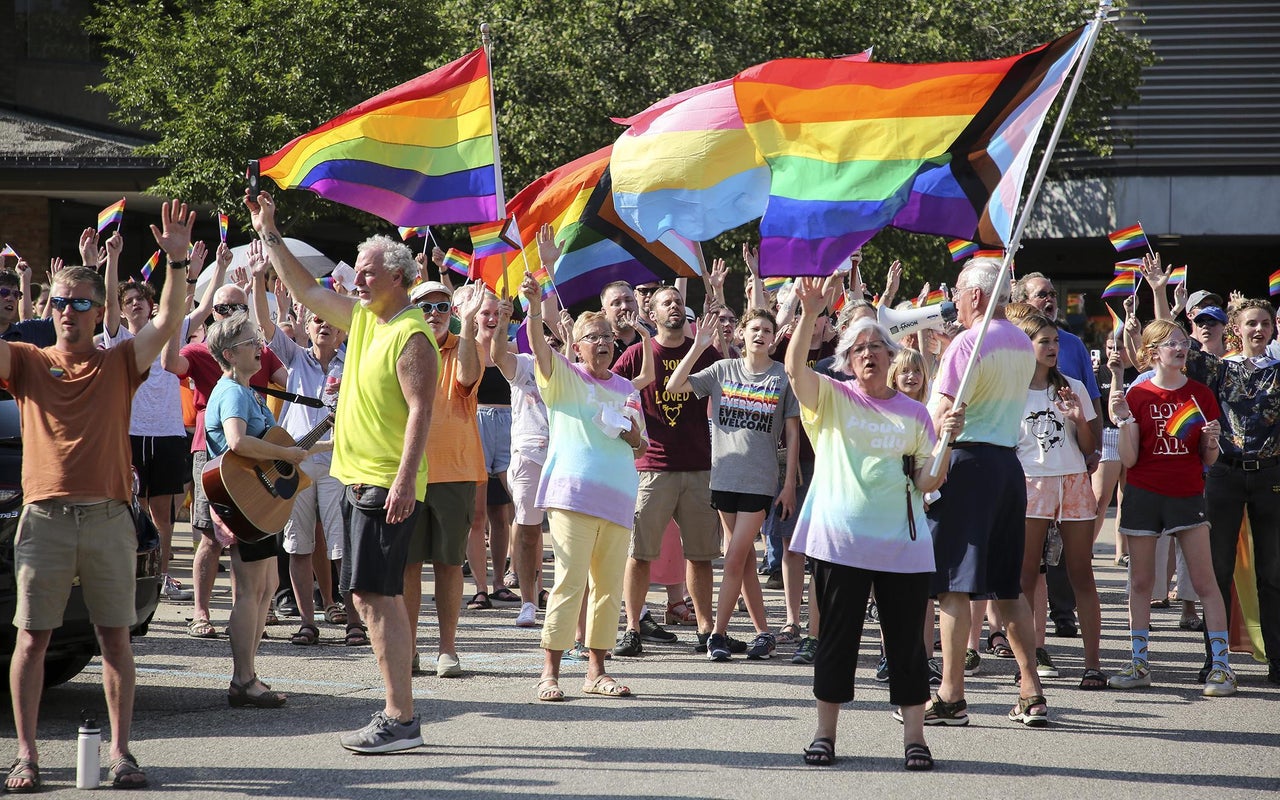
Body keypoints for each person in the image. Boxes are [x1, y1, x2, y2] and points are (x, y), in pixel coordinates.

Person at [4, 199, 193, 791]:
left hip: (110, 516)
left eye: (81, 303)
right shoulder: (28, 362)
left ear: (98, 310)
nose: (68, 312)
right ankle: (27, 757)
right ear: (48, 308)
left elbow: (165, 320)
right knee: (32, 638)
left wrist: (180, 262)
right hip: (45, 518)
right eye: (58, 302)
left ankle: (119, 753)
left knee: (114, 637)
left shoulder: (119, 362)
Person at [248, 191, 438, 753]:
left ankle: (400, 718)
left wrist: (403, 481)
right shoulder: (362, 318)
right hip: (360, 480)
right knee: (369, 597)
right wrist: (269, 231)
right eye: (356, 271)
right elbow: (304, 289)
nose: (357, 280)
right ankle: (399, 712)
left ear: (399, 277)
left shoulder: (410, 334)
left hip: (385, 482)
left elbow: (423, 412)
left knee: (375, 597)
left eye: (368, 272)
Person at [785, 277, 960, 770]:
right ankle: (824, 735)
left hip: (902, 550)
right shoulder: (832, 398)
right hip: (840, 546)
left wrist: (947, 440)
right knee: (835, 645)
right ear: (846, 359)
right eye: (858, 348)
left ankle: (915, 740)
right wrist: (809, 312)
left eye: (876, 346)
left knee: (907, 649)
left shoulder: (916, 414)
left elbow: (928, 482)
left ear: (892, 353)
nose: (868, 354)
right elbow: (794, 369)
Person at [925, 256, 1048, 727]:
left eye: (958, 290)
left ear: (975, 295)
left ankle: (951, 694)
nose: (953, 299)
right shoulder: (1020, 342)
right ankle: (1031, 690)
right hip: (1005, 466)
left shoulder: (967, 343)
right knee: (1006, 584)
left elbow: (938, 414)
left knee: (953, 584)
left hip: (967, 462)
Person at [521, 273, 648, 701]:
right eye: (593, 337)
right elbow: (538, 348)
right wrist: (536, 307)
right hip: (571, 498)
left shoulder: (628, 388)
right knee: (569, 582)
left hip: (616, 501)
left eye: (608, 337)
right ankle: (549, 673)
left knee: (609, 588)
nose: (603, 343)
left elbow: (641, 443)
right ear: (576, 347)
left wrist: (630, 434)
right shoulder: (565, 378)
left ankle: (597, 671)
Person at [1107, 320, 1236, 695]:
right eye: (1171, 344)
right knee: (1141, 583)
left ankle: (1222, 667)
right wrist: (1125, 420)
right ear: (1152, 354)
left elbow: (1208, 457)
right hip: (1144, 496)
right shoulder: (1138, 395)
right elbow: (1129, 461)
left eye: (1183, 342)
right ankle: (1139, 662)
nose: (1181, 348)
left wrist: (1211, 441)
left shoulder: (1200, 395)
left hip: (1187, 495)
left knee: (1204, 582)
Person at [245, 242, 364, 647]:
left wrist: (348, 295)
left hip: (336, 458)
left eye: (328, 320)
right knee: (298, 544)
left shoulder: (354, 359)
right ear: (305, 326)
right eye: (315, 320)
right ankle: (308, 623)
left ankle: (352, 622)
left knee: (341, 544)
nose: (322, 325)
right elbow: (265, 325)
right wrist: (259, 278)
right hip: (295, 461)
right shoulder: (294, 358)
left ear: (340, 328)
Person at [667, 307, 800, 662]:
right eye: (754, 328)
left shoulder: (782, 377)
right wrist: (697, 347)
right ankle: (763, 633)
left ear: (774, 338)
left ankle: (718, 634)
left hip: (760, 480)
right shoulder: (723, 369)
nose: (760, 335)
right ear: (741, 333)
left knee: (736, 556)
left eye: (767, 330)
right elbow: (673, 385)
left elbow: (792, 432)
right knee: (739, 561)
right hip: (723, 477)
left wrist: (788, 484)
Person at [203, 311, 316, 709]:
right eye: (252, 342)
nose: (260, 347)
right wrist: (286, 452)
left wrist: (303, 450)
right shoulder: (232, 391)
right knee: (251, 591)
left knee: (265, 587)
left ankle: (248, 673)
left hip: (258, 501)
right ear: (231, 353)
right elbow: (237, 442)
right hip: (244, 502)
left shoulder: (246, 390)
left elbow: (271, 448)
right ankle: (242, 679)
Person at [165, 277, 285, 638]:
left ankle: (245, 613)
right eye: (222, 308)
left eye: (238, 307)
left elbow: (289, 375)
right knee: (211, 536)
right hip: (211, 448)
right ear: (212, 312)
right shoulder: (204, 350)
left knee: (246, 537)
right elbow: (170, 362)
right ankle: (201, 612)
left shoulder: (256, 349)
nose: (230, 314)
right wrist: (186, 314)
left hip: (255, 453)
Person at [611, 284, 723, 656]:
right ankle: (632, 629)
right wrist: (630, 438)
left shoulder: (705, 353)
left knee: (701, 555)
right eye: (666, 302)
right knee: (640, 552)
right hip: (652, 468)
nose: (674, 306)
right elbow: (609, 396)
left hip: (698, 467)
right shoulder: (634, 354)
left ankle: (706, 630)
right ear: (652, 313)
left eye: (678, 301)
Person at [1182, 298, 1280, 686]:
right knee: (1218, 570)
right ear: (1235, 329)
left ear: (1274, 329)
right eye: (1251, 323)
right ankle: (1216, 659)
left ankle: (1278, 658)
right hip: (1224, 475)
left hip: (1271, 476)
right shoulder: (1218, 369)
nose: (1259, 329)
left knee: (1272, 573)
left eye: (1266, 323)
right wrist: (1159, 293)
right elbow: (1169, 345)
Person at [99, 233, 198, 603]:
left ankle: (163, 575)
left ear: (151, 304)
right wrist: (112, 259)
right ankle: (131, 573)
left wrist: (200, 272)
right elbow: (107, 302)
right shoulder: (117, 338)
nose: (135, 304)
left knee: (165, 513)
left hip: (169, 433)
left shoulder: (166, 334)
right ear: (123, 309)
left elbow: (187, 309)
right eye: (129, 301)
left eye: (141, 299)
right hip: (131, 433)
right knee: (132, 508)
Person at [1013, 313, 1105, 689]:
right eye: (1044, 342)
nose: (1053, 348)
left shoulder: (1075, 387)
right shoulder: (1012, 389)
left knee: (1080, 571)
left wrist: (1078, 418)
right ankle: (1028, 667)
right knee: (1026, 575)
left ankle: (1093, 665)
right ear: (1026, 346)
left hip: (1073, 481)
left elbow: (1090, 448)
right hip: (1030, 483)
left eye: (1055, 341)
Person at [404, 279, 483, 679]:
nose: (434, 314)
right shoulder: (401, 344)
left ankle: (447, 650)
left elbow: (468, 377)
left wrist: (466, 323)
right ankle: (410, 648)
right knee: (409, 565)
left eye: (442, 306)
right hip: (407, 471)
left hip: (455, 471)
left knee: (450, 564)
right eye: (425, 306)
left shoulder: (462, 344)